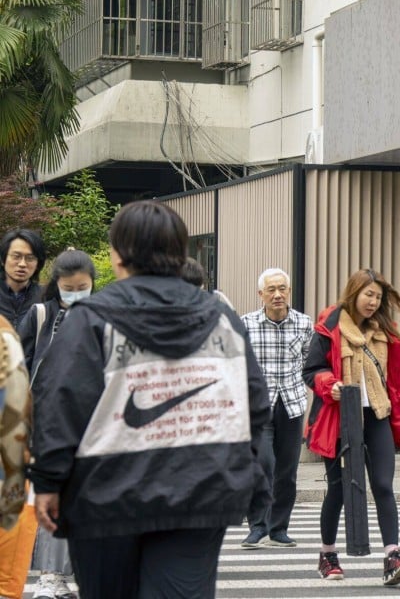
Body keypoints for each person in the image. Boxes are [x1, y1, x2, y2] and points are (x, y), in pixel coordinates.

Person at [27, 200, 271, 599]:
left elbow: (60, 405)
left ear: (118, 255)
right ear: (180, 252)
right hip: (202, 492)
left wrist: (49, 482)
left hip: (105, 498)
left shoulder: (93, 319)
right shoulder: (222, 319)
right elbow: (256, 407)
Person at [303, 268, 400, 585]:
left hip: (377, 416)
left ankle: (392, 556)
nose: (373, 302)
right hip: (341, 417)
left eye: (378, 297)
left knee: (383, 485)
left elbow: (399, 378)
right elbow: (311, 369)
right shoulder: (330, 327)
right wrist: (328, 384)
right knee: (339, 490)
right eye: (368, 295)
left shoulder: (385, 330)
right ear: (354, 292)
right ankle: (328, 554)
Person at [16, 249, 94, 599]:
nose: (76, 293)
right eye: (68, 287)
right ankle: (50, 578)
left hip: (90, 423)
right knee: (50, 497)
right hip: (46, 423)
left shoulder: (101, 316)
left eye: (83, 286)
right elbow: (18, 368)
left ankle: (79, 575)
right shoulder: (40, 315)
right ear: (56, 286)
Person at [240, 268, 313, 549]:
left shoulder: (304, 324)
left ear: (289, 291)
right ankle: (257, 526)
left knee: (287, 471)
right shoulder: (246, 324)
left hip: (292, 404)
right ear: (261, 295)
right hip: (259, 406)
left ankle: (279, 528)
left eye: (282, 288)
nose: (277, 294)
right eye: (271, 290)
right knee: (263, 465)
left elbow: (309, 363)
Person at [0, 229, 46, 328]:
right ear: (3, 260)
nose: (22, 264)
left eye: (30, 258)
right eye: (16, 256)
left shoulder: (46, 298)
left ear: (38, 264)